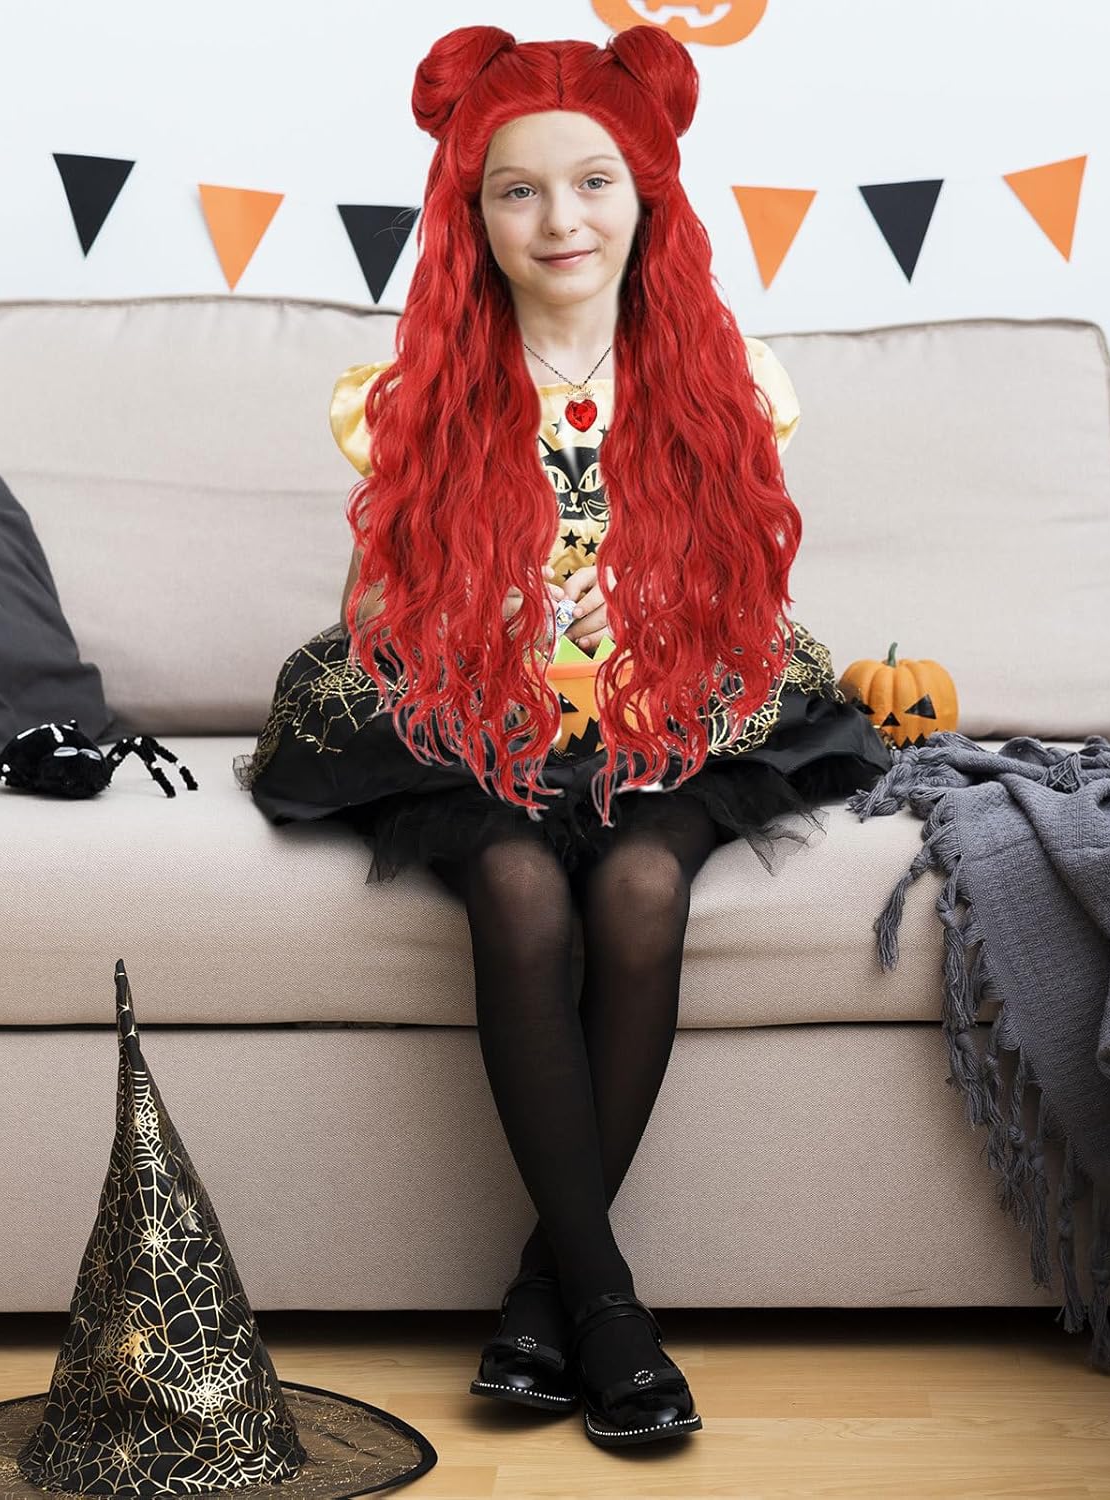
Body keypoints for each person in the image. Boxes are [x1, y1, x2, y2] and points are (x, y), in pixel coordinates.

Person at [234, 23, 892, 1450]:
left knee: (644, 883)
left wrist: (650, 621)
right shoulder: (410, 396)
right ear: (471, 213)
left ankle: (547, 1300)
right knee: (520, 883)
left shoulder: (727, 382)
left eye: (591, 181)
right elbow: (386, 608)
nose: (559, 219)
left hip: (673, 704)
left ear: (646, 193)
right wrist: (486, 621)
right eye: (518, 190)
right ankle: (608, 1312)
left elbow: (740, 600)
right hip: (478, 708)